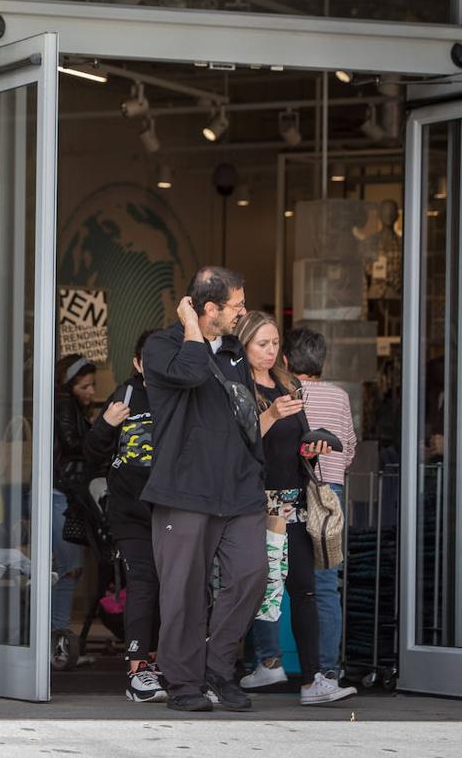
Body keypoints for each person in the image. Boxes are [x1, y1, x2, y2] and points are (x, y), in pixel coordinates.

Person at [140, 267, 268, 713]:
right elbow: (191, 375)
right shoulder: (163, 347)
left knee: (253, 575)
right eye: (236, 305)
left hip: (239, 489)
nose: (243, 312)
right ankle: (183, 682)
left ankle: (216, 667)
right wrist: (193, 328)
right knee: (184, 592)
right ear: (209, 307)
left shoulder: (235, 352)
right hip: (183, 490)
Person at [234, 315, 356, 705]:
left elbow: (295, 441)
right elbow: (238, 443)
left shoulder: (289, 383)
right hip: (256, 501)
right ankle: (249, 666)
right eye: (261, 344)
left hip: (295, 497)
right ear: (244, 345)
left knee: (303, 589)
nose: (270, 351)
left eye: (274, 344)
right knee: (254, 588)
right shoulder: (237, 386)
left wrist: (312, 448)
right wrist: (269, 415)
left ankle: (313, 680)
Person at [85, 330, 166, 703]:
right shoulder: (127, 395)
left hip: (172, 509)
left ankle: (164, 661)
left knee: (176, 586)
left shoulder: (182, 396)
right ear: (137, 363)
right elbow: (91, 453)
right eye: (148, 359)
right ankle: (137, 669)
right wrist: (106, 424)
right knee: (144, 582)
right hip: (129, 510)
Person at [285, 327, 356, 689]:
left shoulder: (285, 393)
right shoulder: (340, 396)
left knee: (281, 578)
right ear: (322, 361)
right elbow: (349, 448)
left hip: (294, 489)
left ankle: (271, 660)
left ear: (285, 359)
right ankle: (328, 669)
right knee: (326, 581)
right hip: (331, 493)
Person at [51, 353, 96, 670]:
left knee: (67, 569)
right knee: (68, 569)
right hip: (62, 495)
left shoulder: (68, 407)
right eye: (85, 386)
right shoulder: (66, 406)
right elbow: (73, 443)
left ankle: (56, 640)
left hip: (63, 494)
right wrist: (99, 432)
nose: (91, 392)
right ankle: (57, 643)